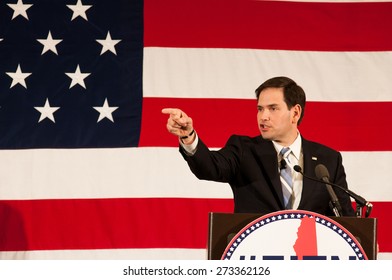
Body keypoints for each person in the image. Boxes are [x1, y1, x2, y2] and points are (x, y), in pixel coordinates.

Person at [162, 76, 355, 216]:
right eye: (260, 109)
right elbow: (210, 167)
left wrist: (360, 239)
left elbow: (344, 214)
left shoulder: (328, 159)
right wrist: (188, 135)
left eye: (273, 108)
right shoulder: (244, 150)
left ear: (295, 113)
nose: (263, 117)